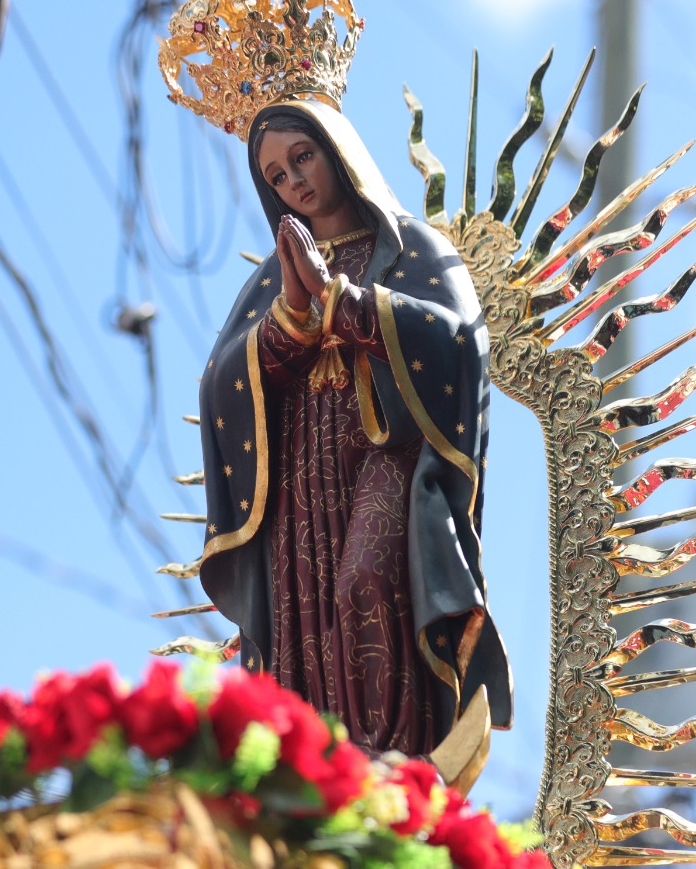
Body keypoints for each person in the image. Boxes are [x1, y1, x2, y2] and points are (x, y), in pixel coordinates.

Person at [195, 98, 512, 757]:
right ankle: (318, 765)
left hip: (385, 455)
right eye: (277, 176)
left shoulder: (413, 248)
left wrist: (341, 300)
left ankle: (390, 758)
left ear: (337, 151)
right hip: (299, 477)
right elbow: (222, 380)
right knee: (302, 622)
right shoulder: (269, 280)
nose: (294, 181)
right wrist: (290, 318)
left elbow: (458, 344)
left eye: (302, 157)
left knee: (365, 582)